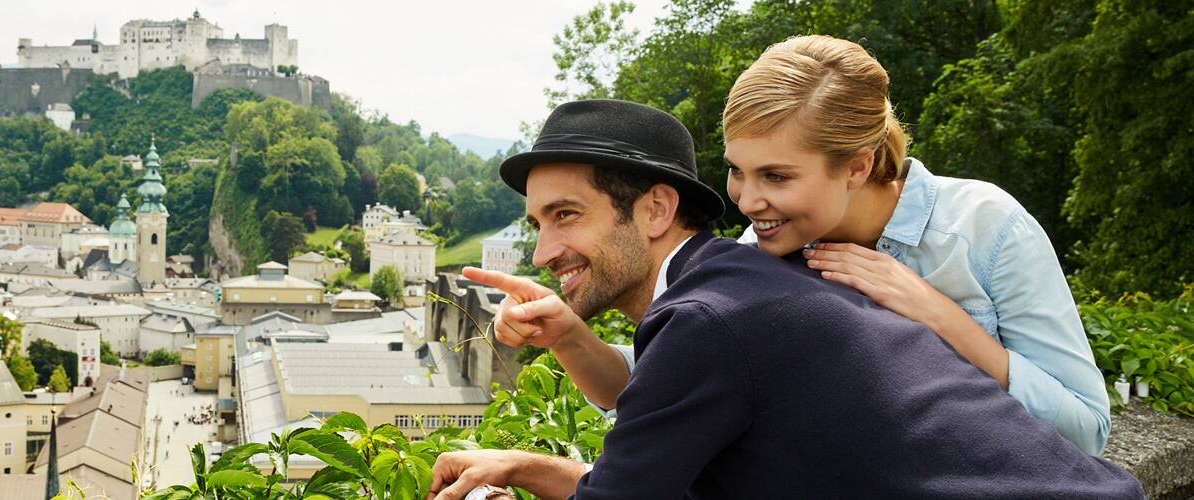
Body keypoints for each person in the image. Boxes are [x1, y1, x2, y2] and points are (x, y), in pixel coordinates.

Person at [426, 98, 1141, 499]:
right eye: (539, 224)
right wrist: (523, 465)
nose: (545, 254)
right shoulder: (748, 284)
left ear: (653, 211)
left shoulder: (706, 318)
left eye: (567, 216)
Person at [487, 34, 1109, 455]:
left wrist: (939, 316)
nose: (747, 202)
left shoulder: (985, 228)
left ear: (858, 166)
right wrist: (569, 335)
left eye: (777, 177)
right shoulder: (769, 250)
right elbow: (671, 385)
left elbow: (1087, 431)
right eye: (737, 171)